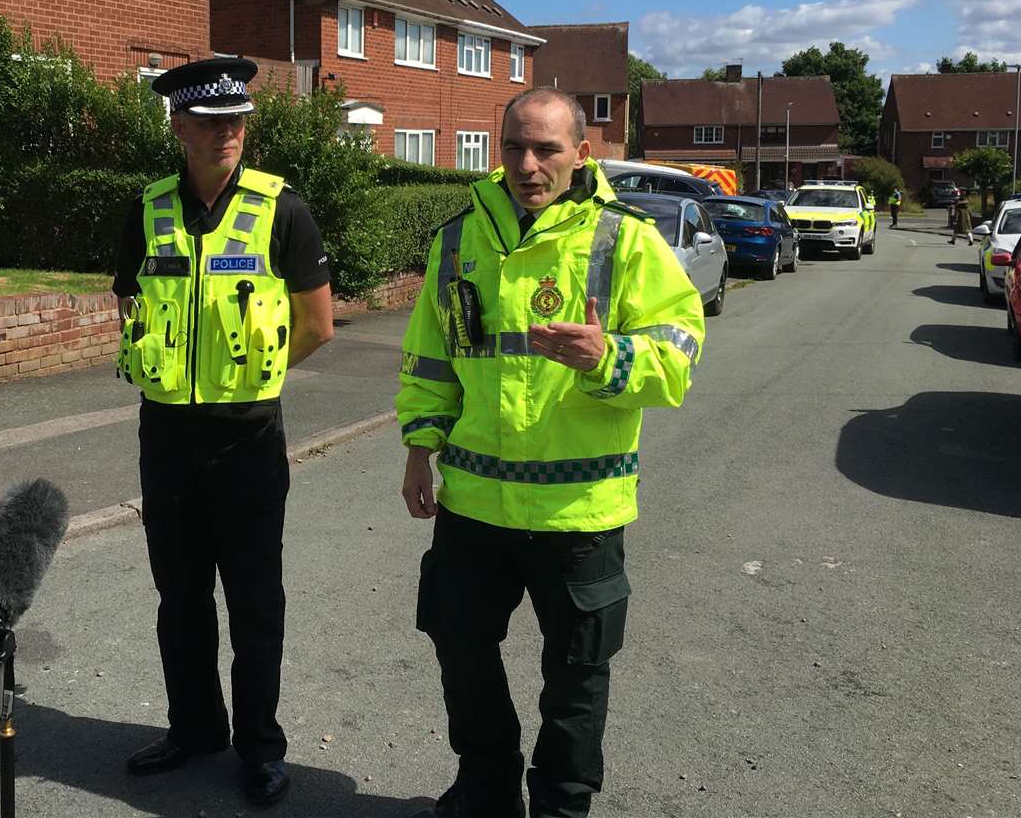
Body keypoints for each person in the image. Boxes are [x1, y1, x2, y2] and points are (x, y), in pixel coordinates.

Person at [398, 87, 705, 818]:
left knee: (576, 675)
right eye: (514, 147)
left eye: (546, 149)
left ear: (581, 154)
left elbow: (679, 359)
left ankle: (562, 806)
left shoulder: (625, 240)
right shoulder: (456, 240)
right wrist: (419, 445)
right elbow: (430, 358)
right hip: (473, 503)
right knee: (460, 648)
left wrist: (609, 356)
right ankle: (486, 784)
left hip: (579, 510)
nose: (528, 165)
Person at [113, 56, 334, 808]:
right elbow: (130, 303)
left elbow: (317, 325)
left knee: (253, 601)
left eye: (237, 121)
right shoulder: (147, 209)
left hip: (247, 440)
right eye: (210, 123)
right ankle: (194, 728)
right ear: (179, 127)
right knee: (179, 597)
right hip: (166, 436)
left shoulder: (284, 210)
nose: (227, 134)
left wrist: (251, 380)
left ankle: (260, 747)